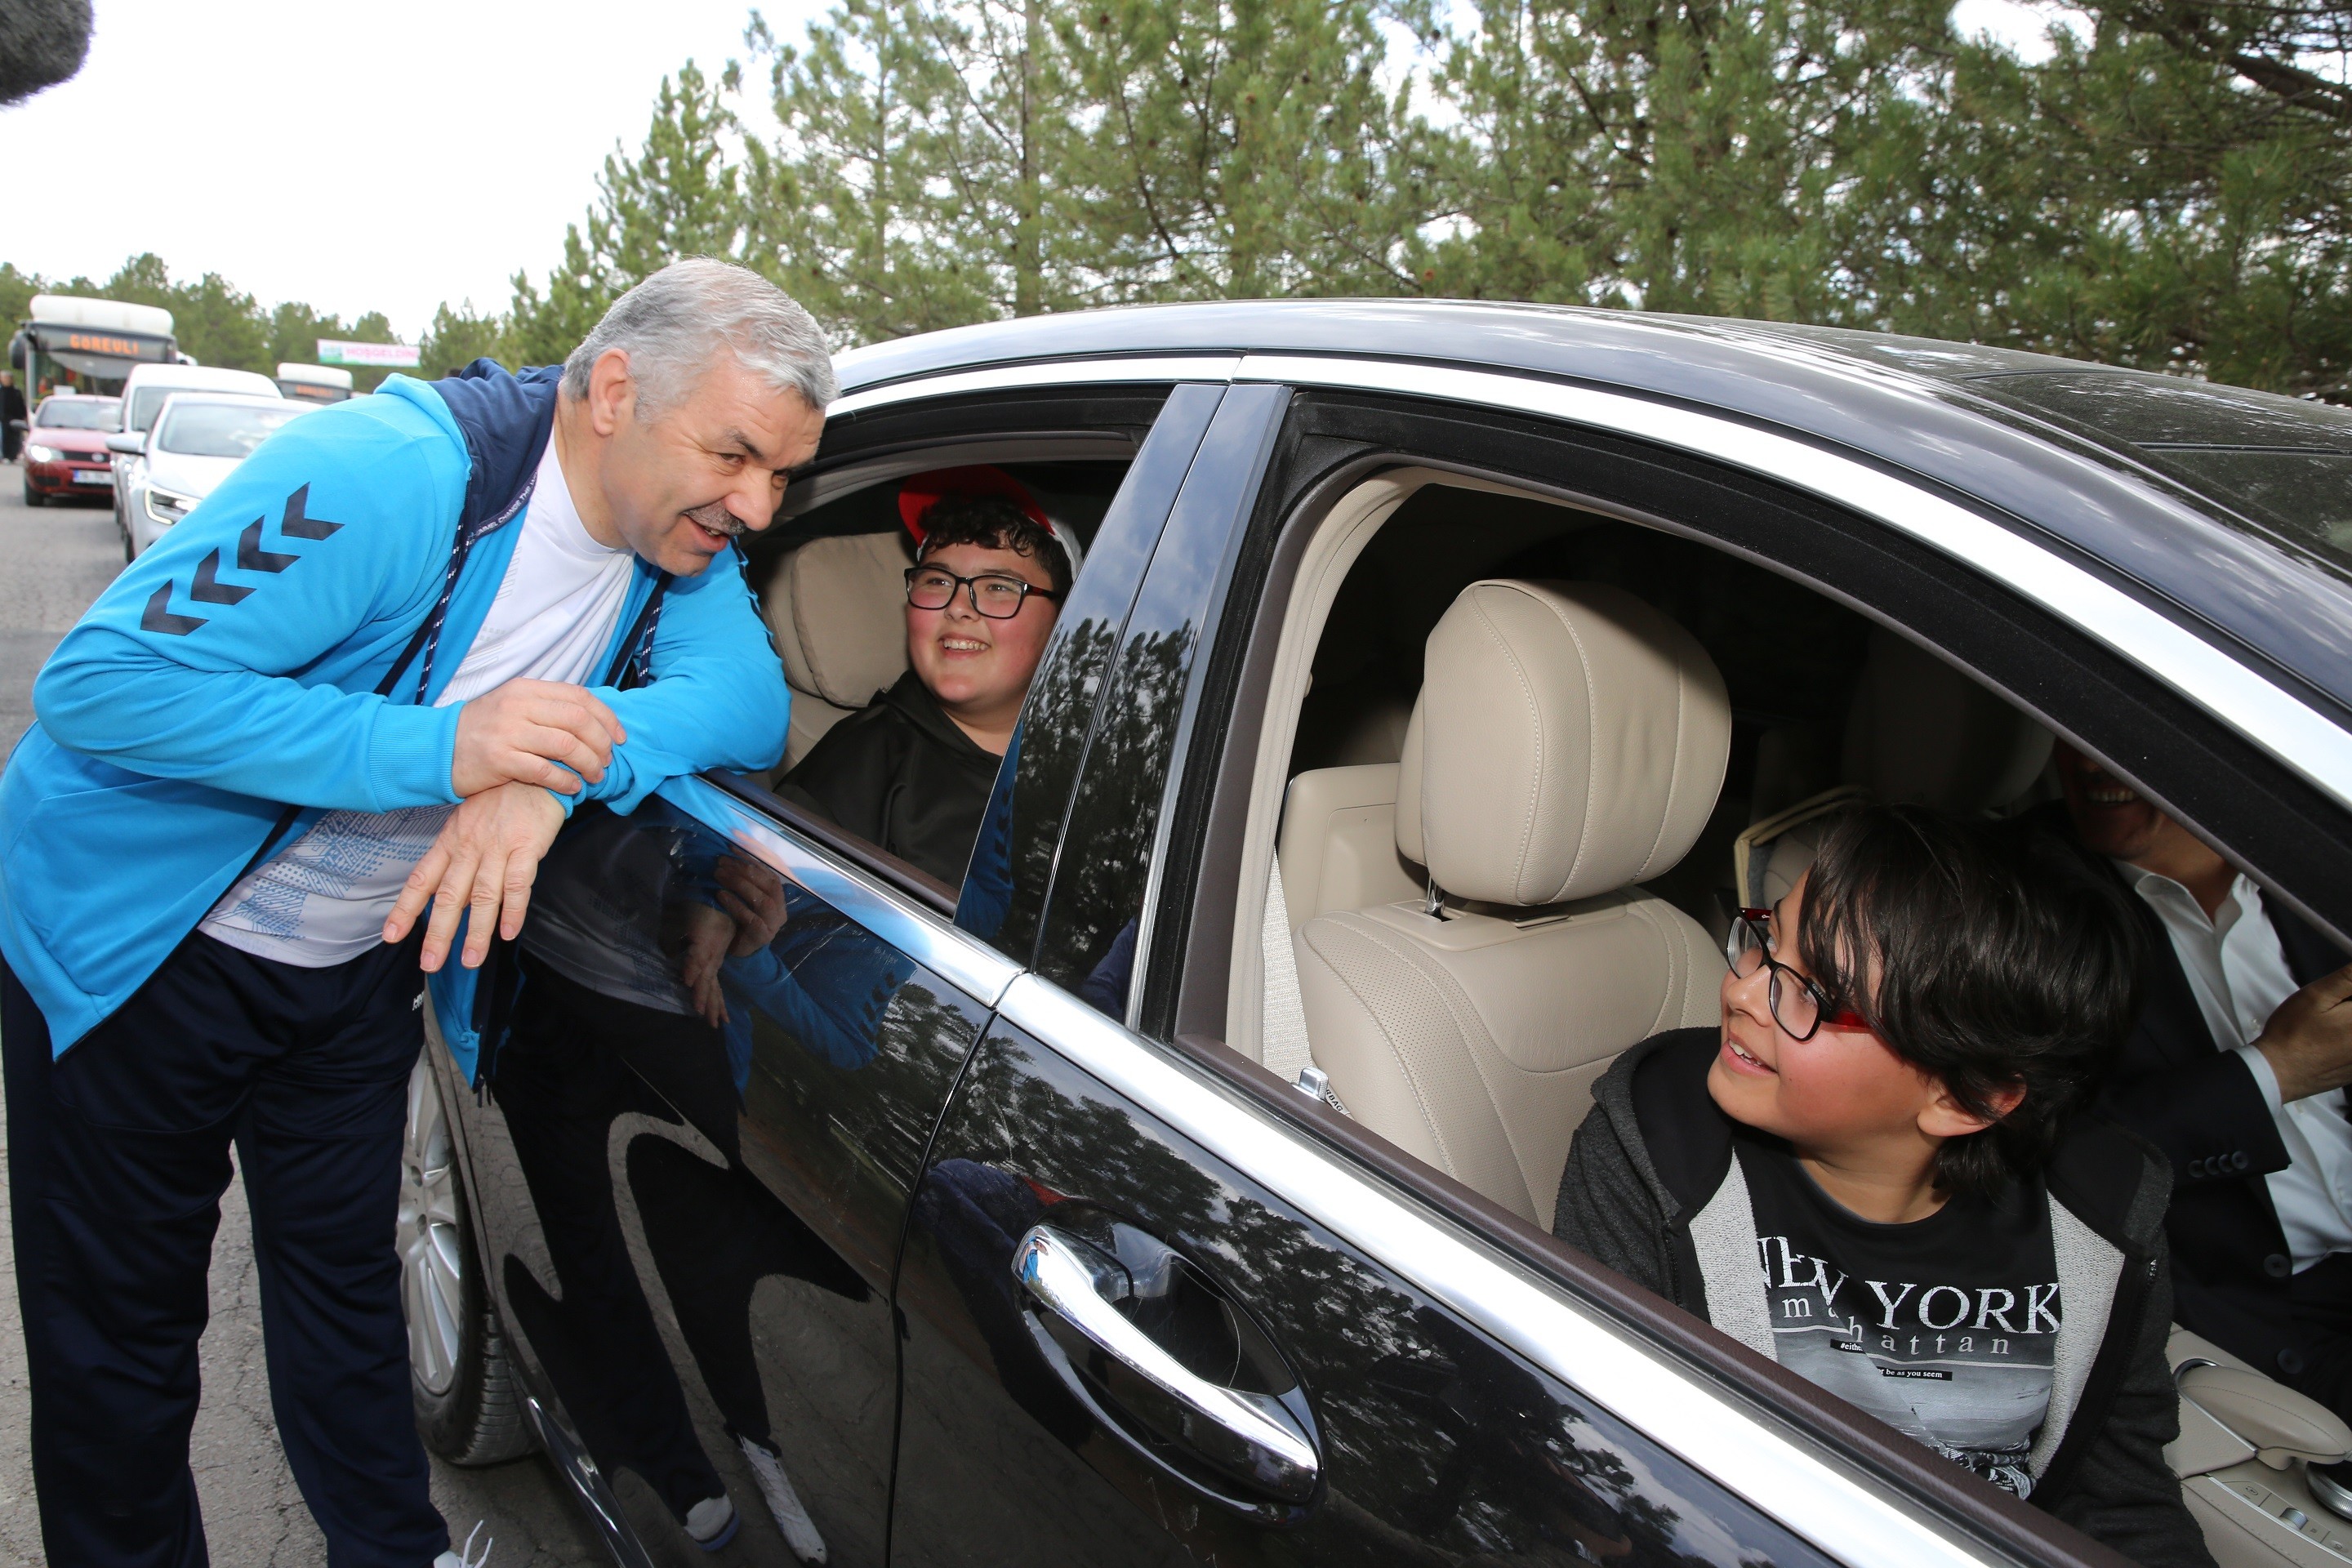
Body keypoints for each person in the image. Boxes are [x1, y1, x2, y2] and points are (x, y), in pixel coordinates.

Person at [0, 257, 831, 1568]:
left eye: (782, 475)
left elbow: (741, 705)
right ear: (614, 390)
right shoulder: (393, 475)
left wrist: (551, 777)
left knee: (344, 1304)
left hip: (350, 971)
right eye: (736, 455)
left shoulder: (676, 551)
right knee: (124, 1343)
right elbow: (104, 684)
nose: (757, 504)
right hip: (144, 956)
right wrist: (442, 754)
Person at [1553, 804, 2212, 1568]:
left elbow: (2123, 1499)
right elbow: (1623, 1477)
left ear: (1966, 1098)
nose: (1740, 992)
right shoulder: (1662, 1154)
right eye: (1765, 941)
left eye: (1812, 995)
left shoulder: (2102, 1224)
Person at [2055, 742, 2352, 1409]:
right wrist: (2274, 1071)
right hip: (2246, 1326)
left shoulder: (2319, 867)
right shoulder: (2028, 900)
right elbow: (2043, 1150)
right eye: (2076, 733)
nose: (2095, 762)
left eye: (2126, 733)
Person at [779, 488, 1070, 887]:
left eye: (999, 586)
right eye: (937, 580)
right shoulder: (855, 774)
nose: (957, 606)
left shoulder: (1112, 743)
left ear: (1064, 620)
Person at [1, 370, 26, 461]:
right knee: (5, 437)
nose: (6, 380)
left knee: (15, 437)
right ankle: (6, 455)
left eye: (8, 378)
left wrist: (24, 415)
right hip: (3, 419)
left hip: (15, 418)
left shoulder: (16, 391)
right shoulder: (1, 391)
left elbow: (21, 405)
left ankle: (13, 455)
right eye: (4, 378)